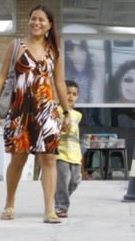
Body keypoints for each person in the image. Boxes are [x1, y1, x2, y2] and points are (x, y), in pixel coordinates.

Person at [0, 4, 70, 224]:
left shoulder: (55, 51)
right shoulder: (16, 46)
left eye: (41, 20)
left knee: (49, 159)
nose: (36, 22)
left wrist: (67, 112)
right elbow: (2, 76)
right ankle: (9, 203)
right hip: (19, 111)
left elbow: (60, 83)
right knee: (18, 159)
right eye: (33, 18)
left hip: (47, 111)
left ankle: (49, 210)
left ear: (49, 25)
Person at [55, 80, 83, 218]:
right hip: (61, 153)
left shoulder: (77, 115)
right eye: (67, 93)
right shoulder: (56, 111)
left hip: (75, 154)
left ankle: (59, 197)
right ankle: (61, 206)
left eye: (74, 94)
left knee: (75, 181)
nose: (71, 96)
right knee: (64, 179)